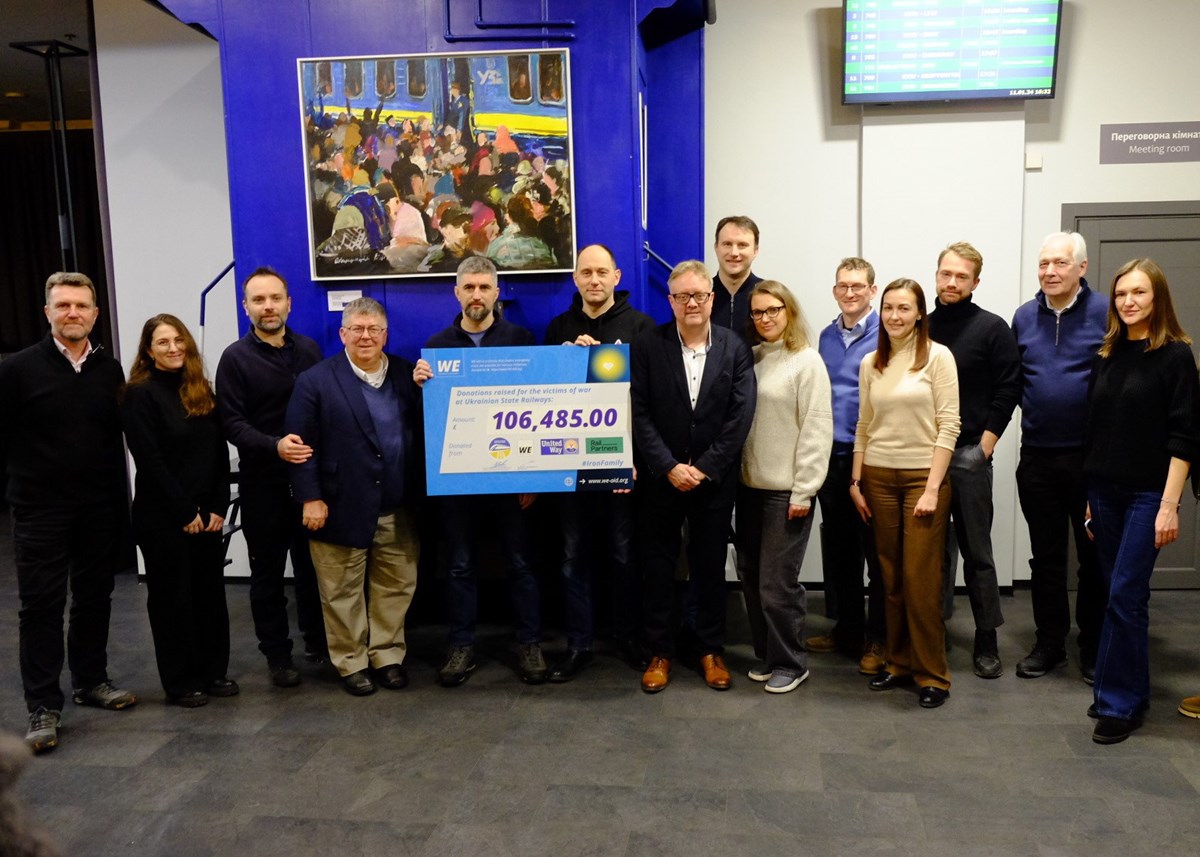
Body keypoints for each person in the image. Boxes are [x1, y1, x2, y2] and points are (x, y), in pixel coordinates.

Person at [0, 272, 137, 752]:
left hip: (98, 506)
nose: (73, 313)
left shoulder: (109, 370)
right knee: (41, 607)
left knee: (95, 597)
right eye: (63, 306)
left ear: (96, 314)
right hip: (39, 510)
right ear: (48, 313)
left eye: (81, 306)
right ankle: (43, 706)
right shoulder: (17, 370)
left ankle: (90, 680)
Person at [1082, 259, 1200, 744]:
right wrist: (1090, 498)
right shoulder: (1107, 352)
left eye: (1139, 293)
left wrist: (1169, 506)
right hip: (1105, 493)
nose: (1129, 302)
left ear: (1158, 299)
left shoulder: (1175, 356)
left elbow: (1185, 437)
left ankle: (1118, 705)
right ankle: (1130, 691)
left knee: (1123, 597)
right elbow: (1098, 431)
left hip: (1148, 496)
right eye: (1121, 294)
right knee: (1122, 597)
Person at [413, 256, 545, 686]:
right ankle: (461, 645)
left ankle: (529, 643)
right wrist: (420, 386)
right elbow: (429, 420)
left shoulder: (521, 340)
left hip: (512, 478)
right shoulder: (437, 347)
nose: (476, 295)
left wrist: (532, 478)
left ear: (496, 292)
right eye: (468, 287)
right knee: (459, 566)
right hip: (458, 483)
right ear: (457, 293)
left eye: (484, 287)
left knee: (522, 564)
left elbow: (536, 408)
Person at [285, 298, 422, 697]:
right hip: (338, 505)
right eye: (357, 329)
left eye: (374, 329)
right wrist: (309, 498)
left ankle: (387, 656)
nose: (366, 336)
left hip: (398, 505)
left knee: (395, 587)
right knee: (340, 591)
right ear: (343, 334)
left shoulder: (404, 373)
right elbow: (300, 446)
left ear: (385, 334)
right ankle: (352, 662)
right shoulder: (315, 381)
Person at [631, 260, 756, 693]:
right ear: (670, 301)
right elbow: (639, 413)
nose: (691, 303)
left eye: (699, 296)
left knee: (708, 568)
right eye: (682, 296)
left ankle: (709, 649)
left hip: (713, 482)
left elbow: (740, 417)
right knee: (658, 567)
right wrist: (668, 466)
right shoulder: (648, 345)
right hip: (660, 480)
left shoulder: (734, 347)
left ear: (711, 299)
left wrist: (703, 468)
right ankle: (660, 651)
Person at [543, 244, 655, 679]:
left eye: (601, 272)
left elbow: (648, 399)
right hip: (570, 464)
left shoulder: (641, 327)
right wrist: (571, 361)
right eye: (586, 272)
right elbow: (544, 398)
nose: (594, 280)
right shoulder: (557, 328)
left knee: (625, 555)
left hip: (620, 463)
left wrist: (638, 461)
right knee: (573, 556)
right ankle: (578, 644)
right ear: (575, 278)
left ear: (617, 276)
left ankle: (627, 637)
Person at [215, 267, 327, 688]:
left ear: (288, 303)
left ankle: (318, 643)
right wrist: (274, 445)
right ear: (246, 307)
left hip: (312, 482)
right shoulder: (234, 358)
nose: (268, 307)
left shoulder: (310, 350)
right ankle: (278, 656)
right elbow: (232, 423)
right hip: (263, 483)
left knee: (313, 569)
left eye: (275, 298)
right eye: (258, 300)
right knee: (267, 576)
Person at [851, 279, 960, 709]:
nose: (895, 316)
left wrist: (933, 488)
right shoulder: (870, 363)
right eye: (888, 308)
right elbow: (863, 426)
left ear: (919, 313)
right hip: (877, 476)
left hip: (921, 480)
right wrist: (856, 482)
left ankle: (932, 674)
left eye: (904, 308)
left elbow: (949, 425)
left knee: (920, 581)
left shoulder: (938, 357)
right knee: (889, 577)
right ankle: (897, 663)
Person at [121, 314, 234, 708]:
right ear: (149, 352)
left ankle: (213, 671)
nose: (172, 348)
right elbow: (149, 460)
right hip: (163, 516)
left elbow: (219, 453)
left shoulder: (201, 390)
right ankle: (181, 681)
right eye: (162, 342)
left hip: (208, 513)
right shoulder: (139, 394)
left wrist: (218, 506)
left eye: (178, 341)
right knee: (173, 600)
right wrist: (186, 511)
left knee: (209, 595)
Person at [1011, 231, 1107, 682]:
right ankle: (1050, 644)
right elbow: (1012, 383)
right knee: (1044, 558)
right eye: (1044, 263)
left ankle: (1092, 646)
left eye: (1061, 264)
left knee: (1094, 558)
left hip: (1091, 462)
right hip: (1038, 460)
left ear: (1081, 268)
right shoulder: (1024, 316)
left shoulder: (1107, 313)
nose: (1050, 271)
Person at [927, 242, 1021, 678]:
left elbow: (1009, 389)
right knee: (934, 552)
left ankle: (987, 637)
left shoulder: (992, 328)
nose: (951, 282)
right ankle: (937, 629)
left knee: (977, 552)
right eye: (945, 273)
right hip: (927, 457)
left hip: (968, 455)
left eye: (961, 276)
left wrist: (984, 446)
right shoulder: (921, 327)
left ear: (975, 282)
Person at [737, 281, 832, 693]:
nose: (765, 319)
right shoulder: (753, 359)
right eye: (758, 313)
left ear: (789, 311)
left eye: (773, 310)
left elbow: (816, 426)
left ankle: (792, 663)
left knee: (778, 583)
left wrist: (804, 490)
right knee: (752, 575)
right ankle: (769, 655)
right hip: (749, 487)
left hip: (786, 491)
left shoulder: (806, 362)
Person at [808, 258, 887, 675]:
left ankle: (878, 639)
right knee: (840, 552)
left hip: (871, 459)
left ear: (873, 291)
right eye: (843, 286)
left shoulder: (887, 334)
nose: (850, 292)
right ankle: (849, 630)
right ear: (835, 291)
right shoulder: (824, 336)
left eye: (858, 286)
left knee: (875, 553)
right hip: (830, 457)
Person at [710, 216, 763, 342]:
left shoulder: (771, 297)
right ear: (716, 248)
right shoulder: (698, 297)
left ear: (755, 250)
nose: (734, 253)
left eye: (742, 245)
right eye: (727, 244)